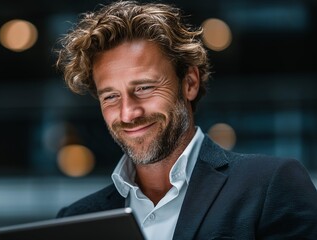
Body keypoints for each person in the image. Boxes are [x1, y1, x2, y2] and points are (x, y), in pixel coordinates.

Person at [55, 1, 317, 239]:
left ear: (189, 83)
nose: (128, 113)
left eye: (144, 88)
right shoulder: (75, 220)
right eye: (111, 96)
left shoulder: (271, 185)